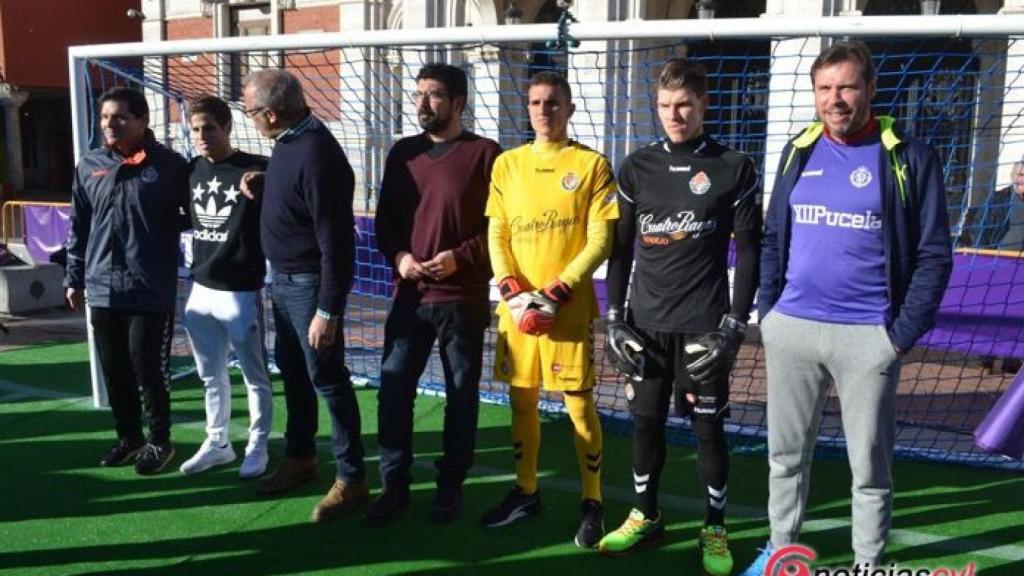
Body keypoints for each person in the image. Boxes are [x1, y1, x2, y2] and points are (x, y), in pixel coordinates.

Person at [739, 40, 953, 574]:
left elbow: (934, 256)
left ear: (871, 90)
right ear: (814, 94)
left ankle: (867, 564)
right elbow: (772, 239)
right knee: (785, 458)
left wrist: (899, 336)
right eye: (825, 88)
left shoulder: (908, 156)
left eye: (847, 87)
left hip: (869, 338)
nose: (836, 99)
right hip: (793, 330)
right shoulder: (799, 149)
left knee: (869, 469)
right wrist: (771, 313)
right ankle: (780, 551)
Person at [599, 58, 761, 575]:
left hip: (703, 325)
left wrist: (734, 328)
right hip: (646, 325)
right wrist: (614, 318)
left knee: (708, 431)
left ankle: (715, 526)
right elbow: (620, 252)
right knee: (645, 424)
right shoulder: (636, 167)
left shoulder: (734, 167)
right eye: (666, 106)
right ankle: (645, 515)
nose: (675, 114)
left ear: (703, 104)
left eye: (684, 105)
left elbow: (751, 252)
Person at [481, 71, 619, 548]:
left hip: (567, 311)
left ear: (570, 108)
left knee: (579, 406)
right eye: (537, 102)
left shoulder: (592, 165)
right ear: (528, 108)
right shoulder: (507, 164)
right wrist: (512, 289)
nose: (544, 110)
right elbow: (496, 232)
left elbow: (602, 239)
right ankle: (525, 491)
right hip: (517, 309)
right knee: (521, 400)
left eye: (554, 102)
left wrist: (558, 290)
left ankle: (592, 501)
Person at [369, 64, 501, 525]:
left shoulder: (485, 154)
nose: (423, 103)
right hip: (409, 298)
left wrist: (459, 258)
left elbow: (500, 233)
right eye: (419, 94)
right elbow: (385, 225)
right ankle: (394, 486)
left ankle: (450, 487)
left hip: (461, 301)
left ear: (459, 103)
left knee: (461, 397)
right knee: (393, 391)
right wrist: (402, 257)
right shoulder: (402, 153)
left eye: (435, 95)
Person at [242, 69, 367, 522]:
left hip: (310, 287)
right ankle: (301, 457)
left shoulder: (318, 154)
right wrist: (265, 182)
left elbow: (337, 243)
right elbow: (295, 192)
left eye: (251, 111)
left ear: (272, 113)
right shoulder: (291, 143)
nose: (249, 118)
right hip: (285, 283)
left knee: (329, 381)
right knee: (295, 374)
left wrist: (327, 309)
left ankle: (352, 479)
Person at [64, 86, 190, 475]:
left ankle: (159, 441)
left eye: (119, 117)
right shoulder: (89, 165)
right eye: (105, 118)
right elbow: (79, 226)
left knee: (147, 367)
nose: (110, 125)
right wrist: (74, 278)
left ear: (142, 120)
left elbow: (195, 214)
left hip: (149, 287)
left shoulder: (170, 165)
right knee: (114, 366)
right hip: (102, 286)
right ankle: (129, 438)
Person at [178, 95, 274, 479]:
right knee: (210, 374)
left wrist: (268, 179)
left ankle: (258, 446)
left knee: (255, 375)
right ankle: (217, 443)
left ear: (228, 127)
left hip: (241, 291)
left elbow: (296, 181)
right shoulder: (189, 170)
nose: (202, 136)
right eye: (196, 129)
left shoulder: (258, 168)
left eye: (209, 128)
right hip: (200, 288)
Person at [958, 160, 1024, 252]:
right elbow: (977, 234)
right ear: (1012, 176)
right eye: (1018, 175)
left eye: (1022, 175)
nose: (1019, 180)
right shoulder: (996, 201)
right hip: (999, 259)